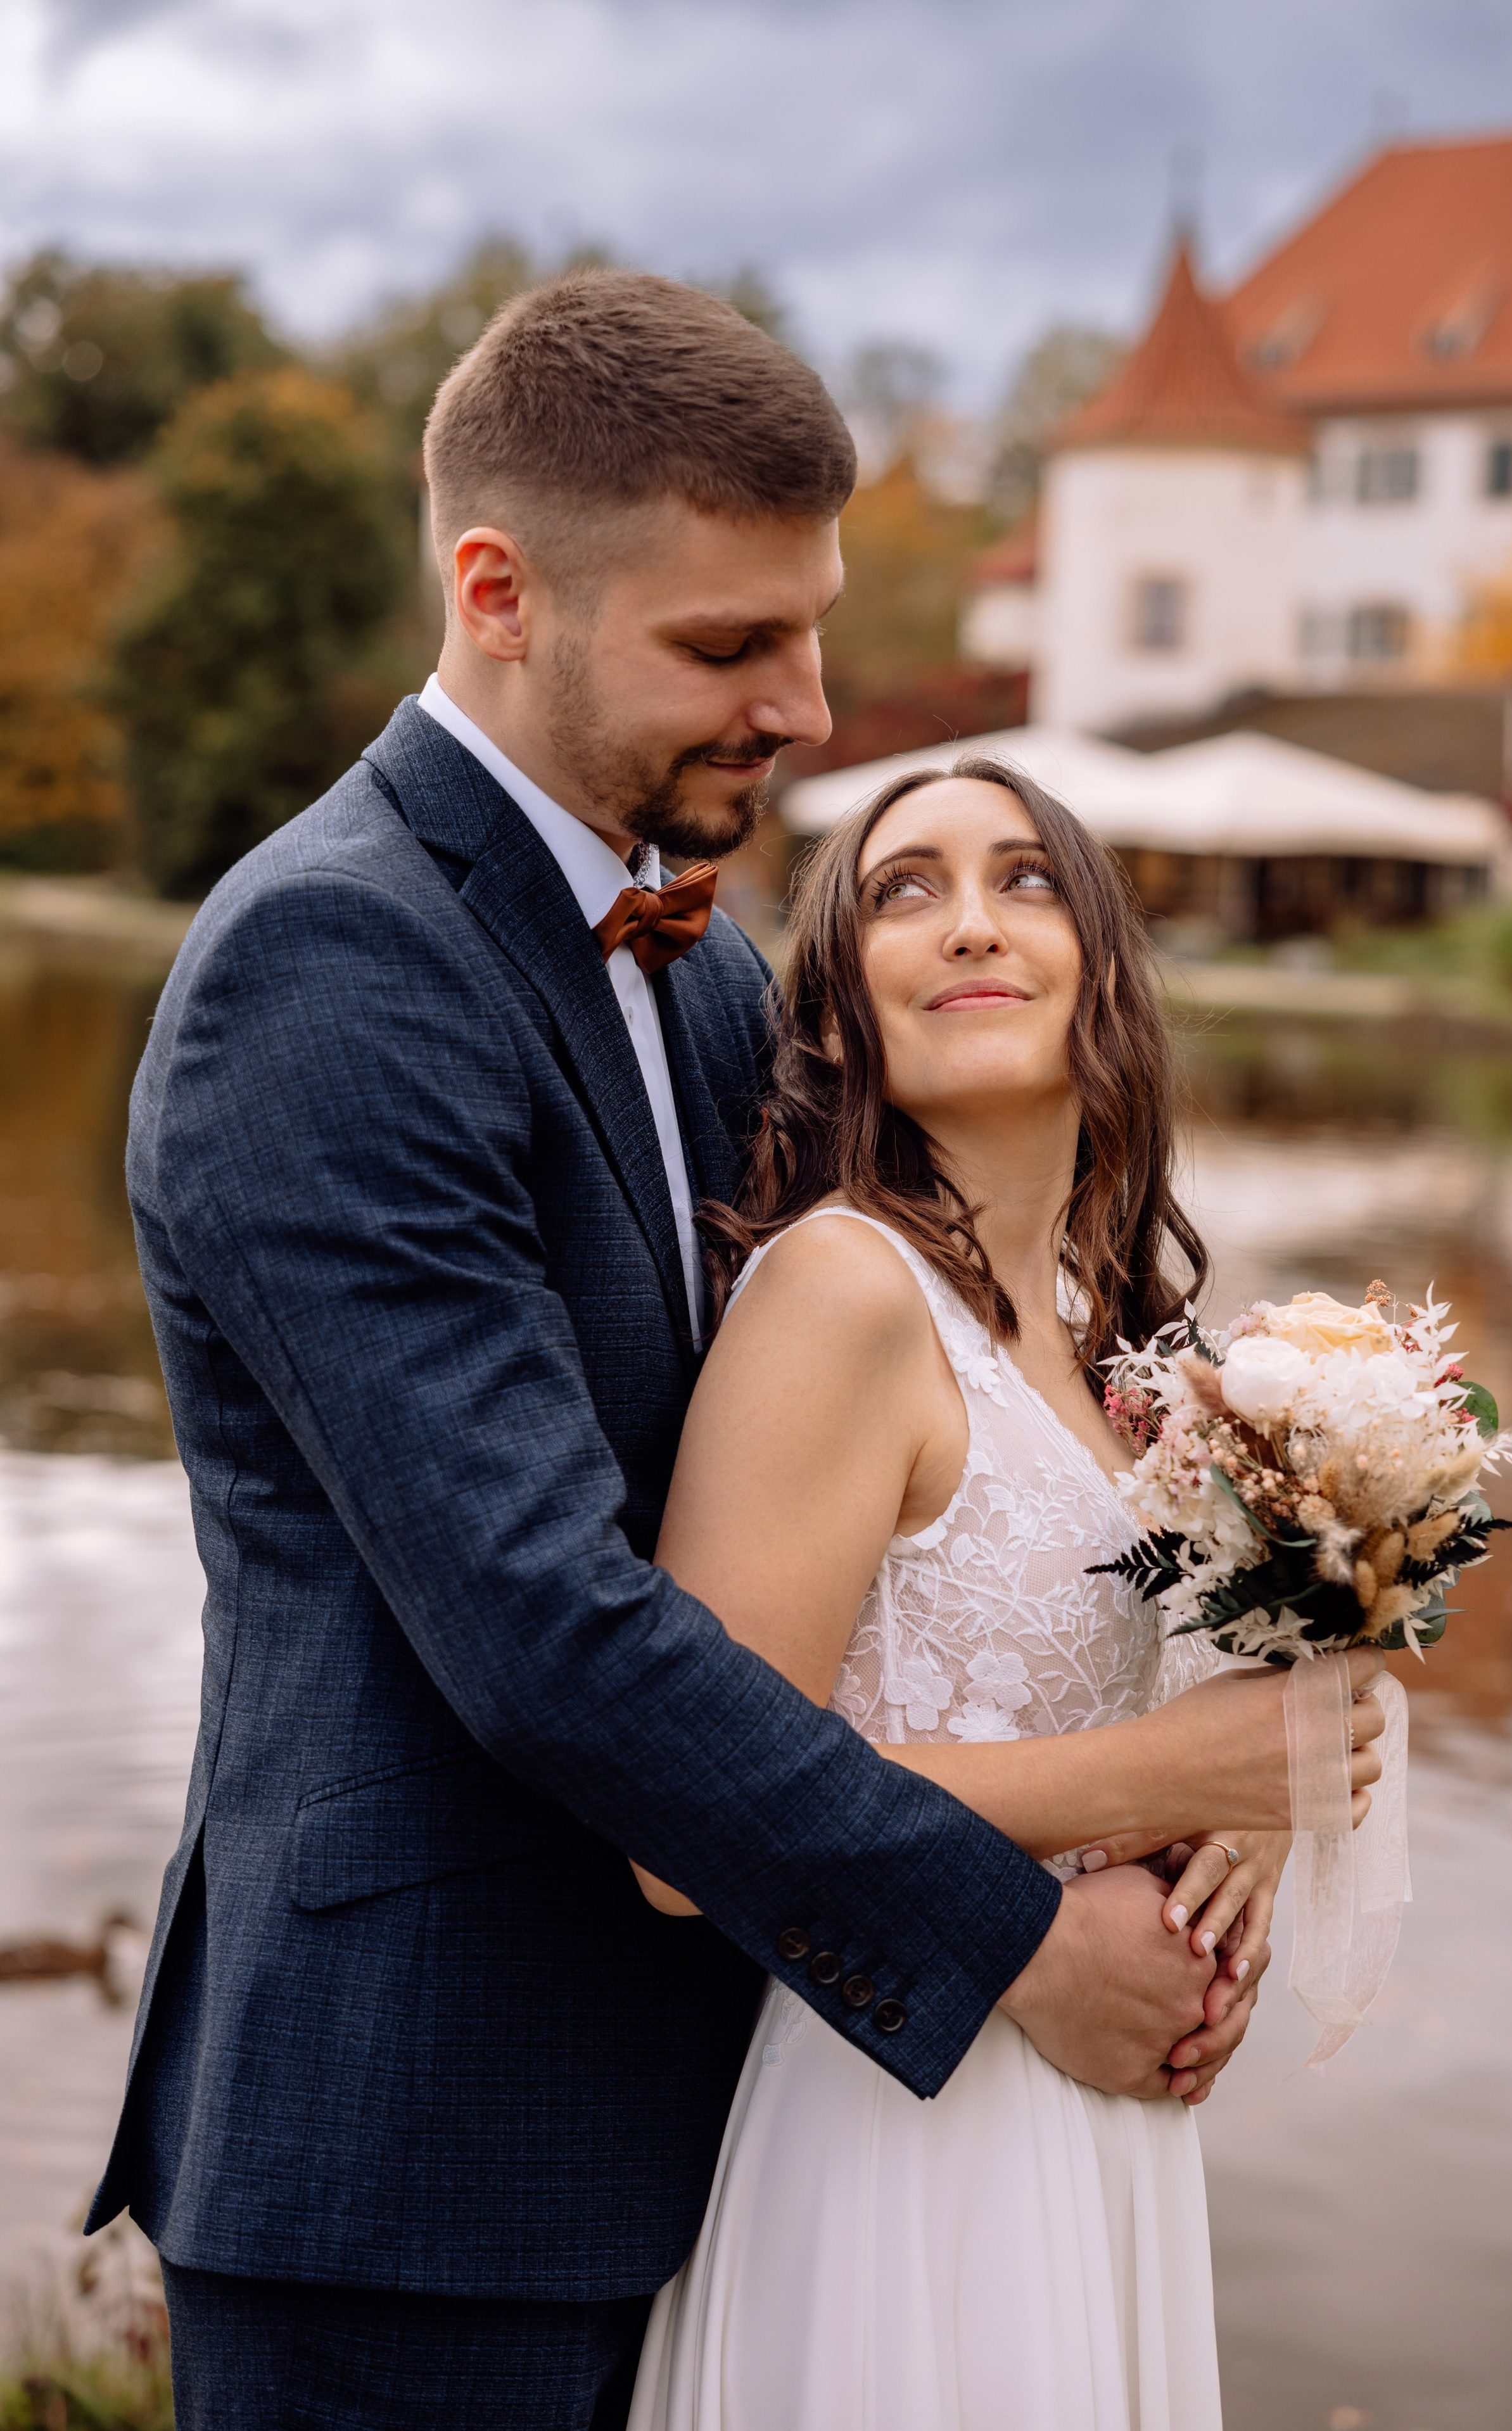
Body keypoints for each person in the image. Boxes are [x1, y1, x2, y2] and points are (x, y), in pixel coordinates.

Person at [86, 270, 1359, 2431]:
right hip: (423, 2153)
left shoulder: (701, 980)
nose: (804, 703)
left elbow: (968, 1420)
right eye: (725, 645)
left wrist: (1314, 1613)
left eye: (814, 626)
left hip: (752, 2115)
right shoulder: (333, 967)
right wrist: (1025, 1929)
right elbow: (549, 1627)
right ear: (499, 593)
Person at [627, 760, 1385, 2430]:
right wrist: (1169, 1776)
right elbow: (688, 1829)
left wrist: (1251, 1822)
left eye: (1027, 879)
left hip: (1103, 2119)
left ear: (1107, 963)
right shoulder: (841, 1292)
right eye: (903, 891)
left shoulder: (1130, 1354)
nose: (968, 920)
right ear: (846, 1004)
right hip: (908, 2124)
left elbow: (1211, 1697)